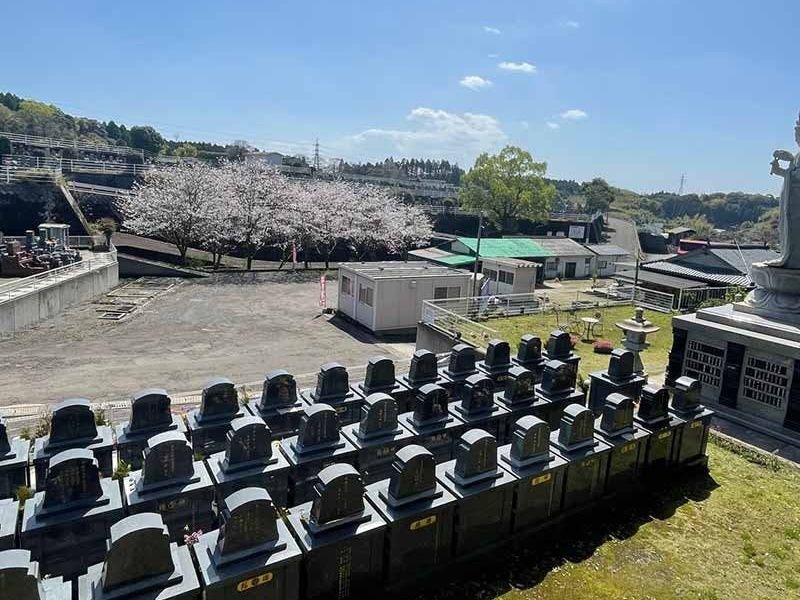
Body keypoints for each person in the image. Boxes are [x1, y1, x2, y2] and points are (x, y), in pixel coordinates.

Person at [768, 112, 800, 269]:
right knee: (788, 230)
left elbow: (796, 177)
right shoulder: (798, 156)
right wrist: (781, 169)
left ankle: (794, 260)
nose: (796, 138)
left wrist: (785, 170)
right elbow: (793, 175)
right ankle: (790, 257)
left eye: (798, 133)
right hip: (793, 204)